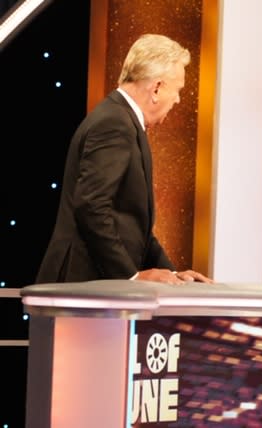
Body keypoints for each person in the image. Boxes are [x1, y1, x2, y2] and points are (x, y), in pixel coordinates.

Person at [36, 34, 212, 285]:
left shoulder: (124, 121)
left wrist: (173, 276)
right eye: (178, 90)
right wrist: (131, 276)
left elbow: (133, 228)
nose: (178, 99)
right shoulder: (114, 123)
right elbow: (92, 207)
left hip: (96, 288)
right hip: (80, 288)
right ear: (157, 88)